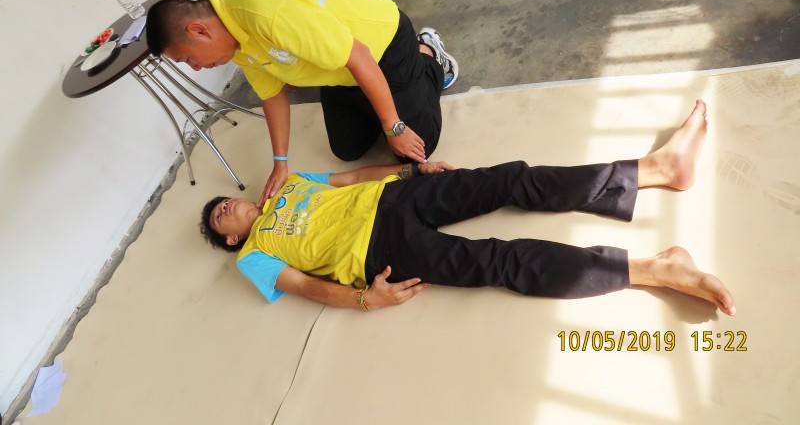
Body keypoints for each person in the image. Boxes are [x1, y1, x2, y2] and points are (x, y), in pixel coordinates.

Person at [198, 100, 736, 316]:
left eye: (226, 200)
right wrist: (364, 299)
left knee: (510, 180)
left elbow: (353, 177)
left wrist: (411, 172)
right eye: (222, 215)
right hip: (377, 251)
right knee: (497, 261)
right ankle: (653, 271)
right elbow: (303, 286)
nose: (230, 205)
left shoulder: (290, 185)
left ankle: (656, 169)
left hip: (390, 196)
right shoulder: (253, 255)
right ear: (231, 238)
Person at [145, 0, 458, 204]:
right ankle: (376, 97)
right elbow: (271, 94)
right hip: (337, 71)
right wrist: (280, 162)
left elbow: (359, 56)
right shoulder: (234, 41)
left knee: (418, 150)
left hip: (382, 46)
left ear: (199, 31)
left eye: (188, 59)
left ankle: (428, 54)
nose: (196, 67)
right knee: (347, 149)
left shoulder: (267, 12)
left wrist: (394, 126)